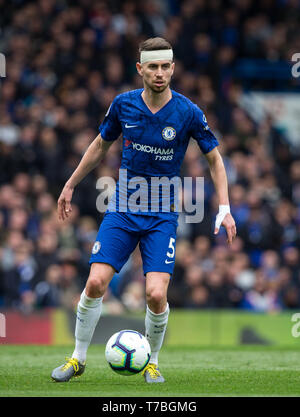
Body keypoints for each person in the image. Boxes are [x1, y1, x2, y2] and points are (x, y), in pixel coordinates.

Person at [51, 37, 236, 383]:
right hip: (122, 208)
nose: (160, 73)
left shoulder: (188, 112)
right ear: (140, 69)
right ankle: (77, 359)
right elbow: (99, 146)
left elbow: (215, 159)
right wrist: (71, 182)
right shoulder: (123, 105)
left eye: (166, 66)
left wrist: (224, 208)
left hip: (162, 214)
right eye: (153, 66)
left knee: (155, 293)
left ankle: (151, 362)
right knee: (94, 282)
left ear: (173, 68)